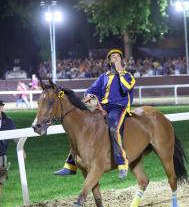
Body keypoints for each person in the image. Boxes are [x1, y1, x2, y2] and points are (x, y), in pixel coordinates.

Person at [54, 48, 136, 180]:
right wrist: (90, 95)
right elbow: (91, 89)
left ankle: (122, 163)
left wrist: (120, 71)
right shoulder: (103, 77)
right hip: (103, 107)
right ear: (109, 61)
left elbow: (126, 87)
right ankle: (70, 165)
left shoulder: (128, 76)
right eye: (113, 57)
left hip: (119, 107)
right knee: (81, 126)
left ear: (121, 60)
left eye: (118, 57)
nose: (115, 59)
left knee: (114, 128)